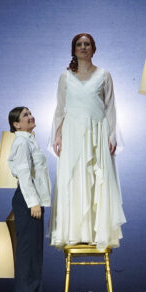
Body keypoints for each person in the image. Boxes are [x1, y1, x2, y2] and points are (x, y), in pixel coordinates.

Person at [49, 33, 126, 251]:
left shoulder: (104, 75)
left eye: (87, 44)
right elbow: (60, 108)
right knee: (73, 178)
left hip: (97, 133)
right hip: (72, 133)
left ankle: (97, 232)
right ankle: (75, 232)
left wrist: (111, 135)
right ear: (74, 50)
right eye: (79, 44)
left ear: (93, 48)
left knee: (97, 179)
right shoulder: (65, 77)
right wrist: (57, 135)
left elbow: (110, 107)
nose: (83, 47)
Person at [8, 106, 52, 292]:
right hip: (27, 199)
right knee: (27, 248)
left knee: (35, 247)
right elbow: (24, 174)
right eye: (25, 115)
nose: (30, 116)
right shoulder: (21, 142)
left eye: (30, 113)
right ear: (16, 124)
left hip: (34, 199)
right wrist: (33, 203)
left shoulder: (30, 141)